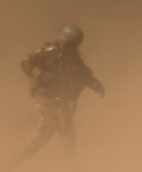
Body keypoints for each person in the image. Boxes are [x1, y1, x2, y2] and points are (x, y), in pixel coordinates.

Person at [18, 25, 104, 160]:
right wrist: (40, 74)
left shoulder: (73, 57)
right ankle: (72, 168)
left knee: (49, 137)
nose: (67, 47)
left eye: (72, 45)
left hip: (61, 100)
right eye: (66, 44)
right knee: (64, 134)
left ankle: (11, 164)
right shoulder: (47, 52)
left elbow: (82, 72)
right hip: (47, 99)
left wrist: (93, 83)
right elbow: (25, 63)